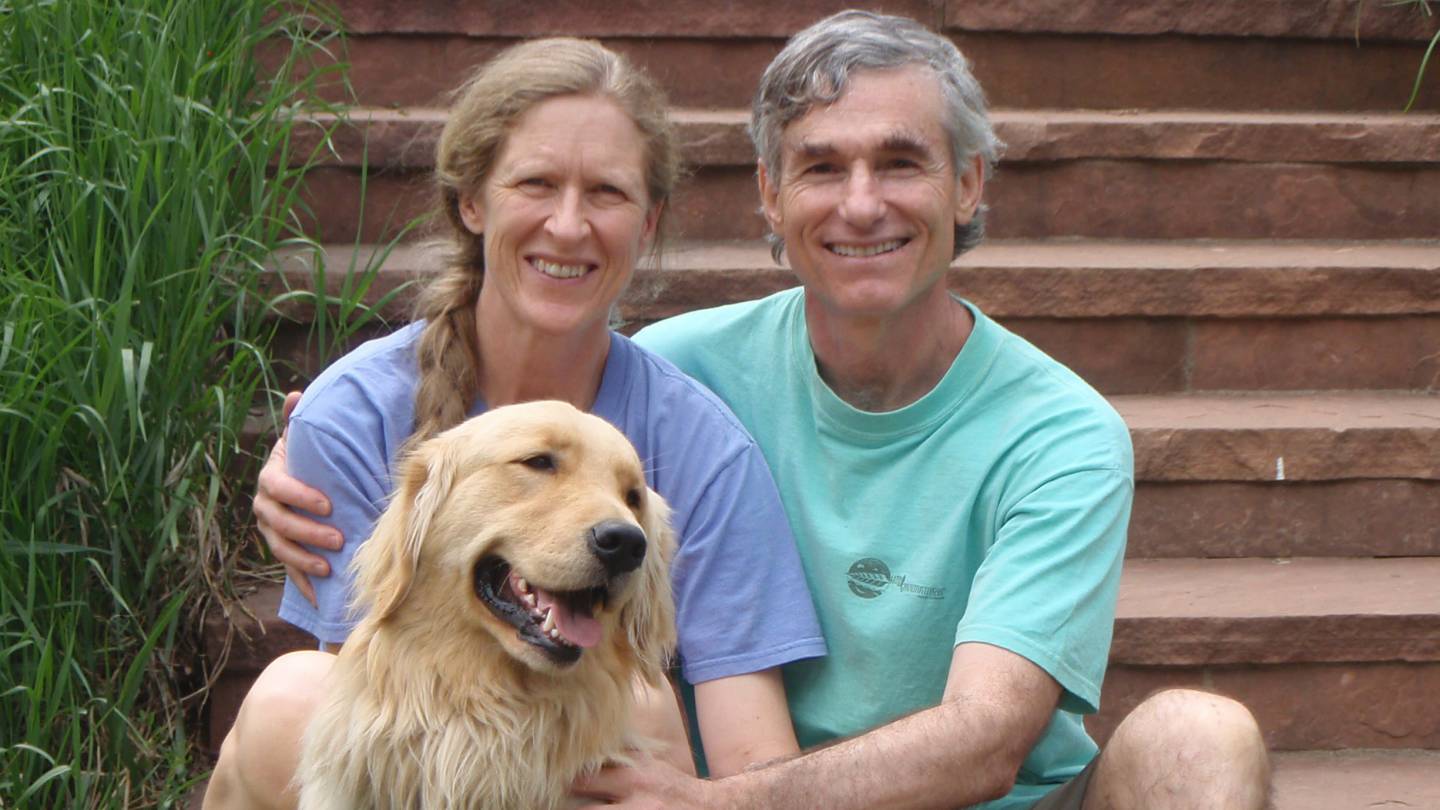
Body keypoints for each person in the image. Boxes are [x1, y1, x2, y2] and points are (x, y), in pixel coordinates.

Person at [249, 12, 1274, 810]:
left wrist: (716, 800)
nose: (861, 203)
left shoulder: (1060, 432)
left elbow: (988, 739)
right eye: (823, 167)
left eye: (901, 162)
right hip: (734, 781)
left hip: (926, 797)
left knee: (1203, 737)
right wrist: (324, 443)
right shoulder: (678, 375)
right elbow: (515, 456)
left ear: (968, 185)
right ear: (770, 203)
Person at [202, 38, 825, 810]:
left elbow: (751, 757)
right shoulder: (356, 411)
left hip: (601, 768)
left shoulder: (700, 441)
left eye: (607, 193)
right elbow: (377, 694)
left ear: (647, 220)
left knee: (646, 706)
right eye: (536, 183)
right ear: (472, 201)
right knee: (288, 701)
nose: (568, 226)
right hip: (414, 771)